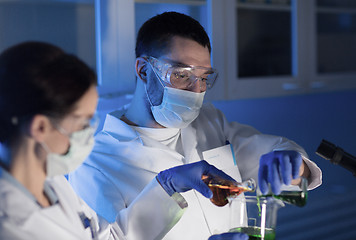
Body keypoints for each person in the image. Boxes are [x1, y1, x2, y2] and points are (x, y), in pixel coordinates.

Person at [69, 12, 322, 239]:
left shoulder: (210, 121)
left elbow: (277, 157)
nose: (196, 91)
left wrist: (292, 164)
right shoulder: (93, 164)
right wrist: (163, 188)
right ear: (144, 70)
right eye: (181, 75)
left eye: (203, 78)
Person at [0, 41, 248, 240]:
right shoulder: (10, 225)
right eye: (82, 123)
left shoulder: (51, 184)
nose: (89, 133)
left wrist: (168, 184)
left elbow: (111, 238)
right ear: (40, 127)